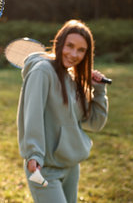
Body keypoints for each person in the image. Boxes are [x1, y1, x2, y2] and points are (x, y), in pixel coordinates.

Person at [17, 19, 109, 203]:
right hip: (44, 168)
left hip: (71, 167)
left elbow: (95, 123)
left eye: (81, 50)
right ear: (59, 44)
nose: (74, 54)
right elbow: (31, 115)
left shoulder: (72, 78)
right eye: (70, 46)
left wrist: (98, 90)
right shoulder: (42, 71)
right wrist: (34, 154)